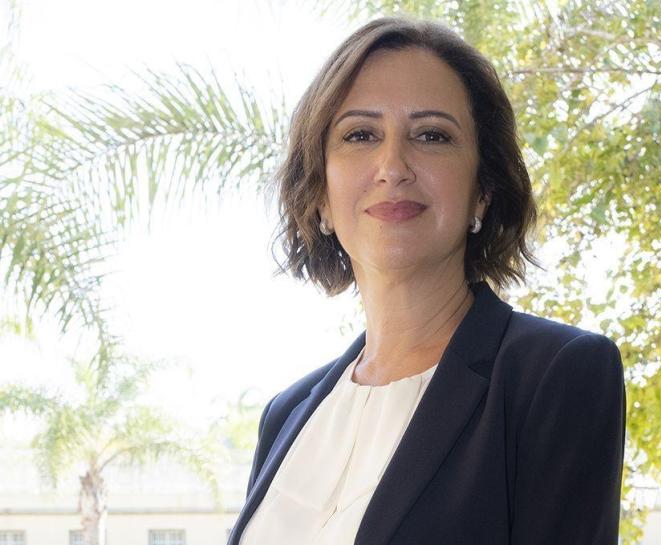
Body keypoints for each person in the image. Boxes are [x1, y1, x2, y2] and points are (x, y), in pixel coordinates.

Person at [228, 15, 626, 545]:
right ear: (320, 194)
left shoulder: (554, 374)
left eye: (432, 135)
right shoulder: (287, 413)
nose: (393, 165)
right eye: (360, 134)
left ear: (483, 190)